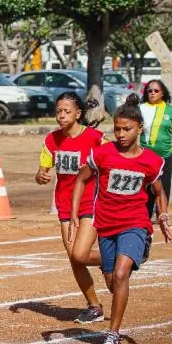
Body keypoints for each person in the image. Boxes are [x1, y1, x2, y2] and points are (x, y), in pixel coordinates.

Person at [69, 94, 172, 344]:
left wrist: (162, 216)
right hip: (106, 224)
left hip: (135, 223)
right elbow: (80, 180)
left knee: (120, 274)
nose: (121, 134)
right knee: (111, 281)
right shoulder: (103, 154)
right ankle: (126, 274)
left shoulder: (151, 161)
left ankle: (112, 334)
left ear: (140, 129)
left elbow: (159, 191)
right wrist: (73, 214)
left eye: (127, 129)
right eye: (117, 129)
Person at [35, 92, 105, 324]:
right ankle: (94, 306)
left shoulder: (95, 138)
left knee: (80, 254)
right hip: (65, 205)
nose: (61, 116)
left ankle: (115, 259)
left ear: (78, 114)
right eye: (58, 111)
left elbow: (113, 161)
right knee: (75, 259)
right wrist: (41, 175)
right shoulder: (51, 140)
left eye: (67, 111)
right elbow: (43, 170)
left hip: (91, 201)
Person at [140, 80, 172, 219]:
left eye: (156, 91)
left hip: (165, 156)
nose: (152, 93)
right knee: (146, 186)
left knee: (163, 186)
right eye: (150, 91)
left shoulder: (169, 110)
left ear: (162, 93)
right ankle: (145, 215)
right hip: (145, 156)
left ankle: (162, 213)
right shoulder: (141, 109)